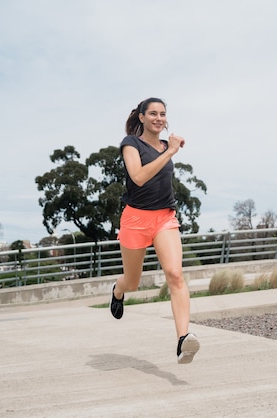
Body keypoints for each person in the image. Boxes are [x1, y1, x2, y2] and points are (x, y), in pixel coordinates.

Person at [110, 97, 200, 364]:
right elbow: (137, 177)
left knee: (174, 274)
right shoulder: (131, 144)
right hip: (135, 220)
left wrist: (168, 149)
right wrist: (170, 152)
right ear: (141, 117)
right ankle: (118, 290)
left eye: (162, 114)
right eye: (152, 113)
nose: (158, 118)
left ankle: (184, 340)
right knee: (133, 281)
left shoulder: (164, 145)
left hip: (164, 218)